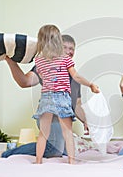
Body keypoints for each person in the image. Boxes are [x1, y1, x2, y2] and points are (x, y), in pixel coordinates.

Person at [1, 34, 89, 159]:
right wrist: (11, 62)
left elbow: (77, 105)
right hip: (49, 113)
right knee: (54, 150)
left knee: (63, 150)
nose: (69, 52)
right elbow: (24, 82)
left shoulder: (74, 76)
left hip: (63, 115)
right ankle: (7, 153)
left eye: (72, 49)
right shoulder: (46, 66)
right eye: (65, 48)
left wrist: (86, 121)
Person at [32, 24, 99, 164]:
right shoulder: (65, 60)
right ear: (58, 41)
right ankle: (71, 161)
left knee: (43, 134)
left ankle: (38, 161)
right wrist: (91, 84)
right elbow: (76, 77)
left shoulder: (39, 61)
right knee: (67, 133)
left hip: (46, 98)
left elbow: (42, 76)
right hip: (61, 97)